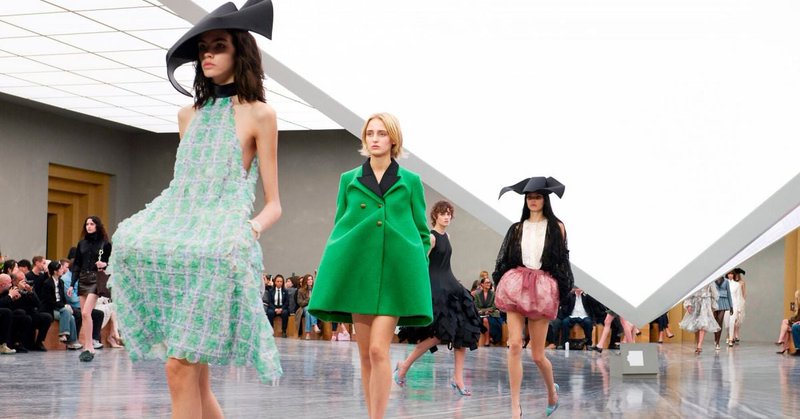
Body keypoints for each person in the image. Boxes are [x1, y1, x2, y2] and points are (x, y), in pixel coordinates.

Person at [108, 1, 281, 417]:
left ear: (240, 52)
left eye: (218, 46)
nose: (207, 54)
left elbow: (274, 204)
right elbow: (182, 188)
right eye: (203, 48)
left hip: (219, 249)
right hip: (183, 247)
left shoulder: (260, 114)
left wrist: (248, 230)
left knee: (179, 367)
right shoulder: (188, 115)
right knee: (194, 378)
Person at [308, 112, 432, 419]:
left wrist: (417, 260)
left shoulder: (411, 181)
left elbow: (421, 231)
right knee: (364, 354)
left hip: (393, 276)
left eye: (381, 133)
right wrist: (337, 262)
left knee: (378, 349)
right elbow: (341, 225)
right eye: (370, 133)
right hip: (359, 274)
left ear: (393, 139)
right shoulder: (349, 180)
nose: (374, 139)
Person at [492, 176, 573, 418]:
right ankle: (515, 406)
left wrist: (559, 290)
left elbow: (562, 260)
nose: (533, 201)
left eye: (537, 197)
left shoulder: (557, 227)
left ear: (545, 199)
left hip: (542, 288)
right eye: (529, 197)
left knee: (537, 355)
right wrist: (503, 282)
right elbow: (505, 258)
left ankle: (552, 393)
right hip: (516, 285)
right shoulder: (517, 228)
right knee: (515, 344)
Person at [395, 200, 482, 396]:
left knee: (463, 331)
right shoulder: (431, 238)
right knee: (440, 334)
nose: (446, 217)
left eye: (449, 213)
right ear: (435, 216)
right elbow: (420, 263)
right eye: (443, 213)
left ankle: (458, 378)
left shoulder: (448, 236)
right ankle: (404, 365)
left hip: (452, 286)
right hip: (437, 290)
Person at [71, 216, 112, 361]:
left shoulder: (105, 244)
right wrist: (72, 283)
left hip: (96, 279)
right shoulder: (81, 243)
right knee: (84, 315)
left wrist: (105, 264)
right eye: (87, 224)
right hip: (83, 278)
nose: (89, 226)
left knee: (86, 312)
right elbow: (77, 264)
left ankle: (89, 346)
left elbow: (112, 262)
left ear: (97, 226)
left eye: (92, 224)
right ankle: (88, 346)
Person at [39, 261, 82, 349]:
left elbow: (62, 298)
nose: (63, 270)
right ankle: (63, 334)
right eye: (60, 269)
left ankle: (72, 342)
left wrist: (66, 305)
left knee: (72, 317)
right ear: (55, 271)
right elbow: (49, 301)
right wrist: (63, 306)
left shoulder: (61, 282)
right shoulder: (47, 283)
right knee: (66, 311)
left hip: (60, 308)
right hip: (50, 309)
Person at [679, 282, 720, 354]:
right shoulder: (695, 279)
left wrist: (713, 304)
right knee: (696, 326)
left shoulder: (710, 280)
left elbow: (714, 293)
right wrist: (688, 304)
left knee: (703, 324)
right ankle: (698, 343)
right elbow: (689, 292)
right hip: (695, 303)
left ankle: (699, 345)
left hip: (706, 303)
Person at [474, 277, 502, 346]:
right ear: (482, 284)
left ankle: (488, 339)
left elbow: (494, 306)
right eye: (487, 282)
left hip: (491, 313)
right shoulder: (477, 294)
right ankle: (487, 339)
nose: (488, 284)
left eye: (489, 282)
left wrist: (486, 311)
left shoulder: (493, 294)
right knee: (484, 319)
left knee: (487, 320)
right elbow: (475, 306)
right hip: (480, 314)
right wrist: (482, 311)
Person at [713, 275, 733, 350]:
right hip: (714, 302)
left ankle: (718, 342)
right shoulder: (713, 280)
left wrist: (731, 306)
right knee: (715, 322)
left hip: (723, 301)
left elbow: (729, 293)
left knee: (720, 322)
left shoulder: (726, 281)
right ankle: (715, 338)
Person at [728, 268, 746, 346]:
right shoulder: (732, 283)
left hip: (740, 301)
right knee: (733, 320)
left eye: (738, 274)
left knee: (738, 319)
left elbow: (744, 292)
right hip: (734, 300)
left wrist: (743, 301)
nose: (737, 276)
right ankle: (732, 336)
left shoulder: (742, 282)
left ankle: (736, 334)